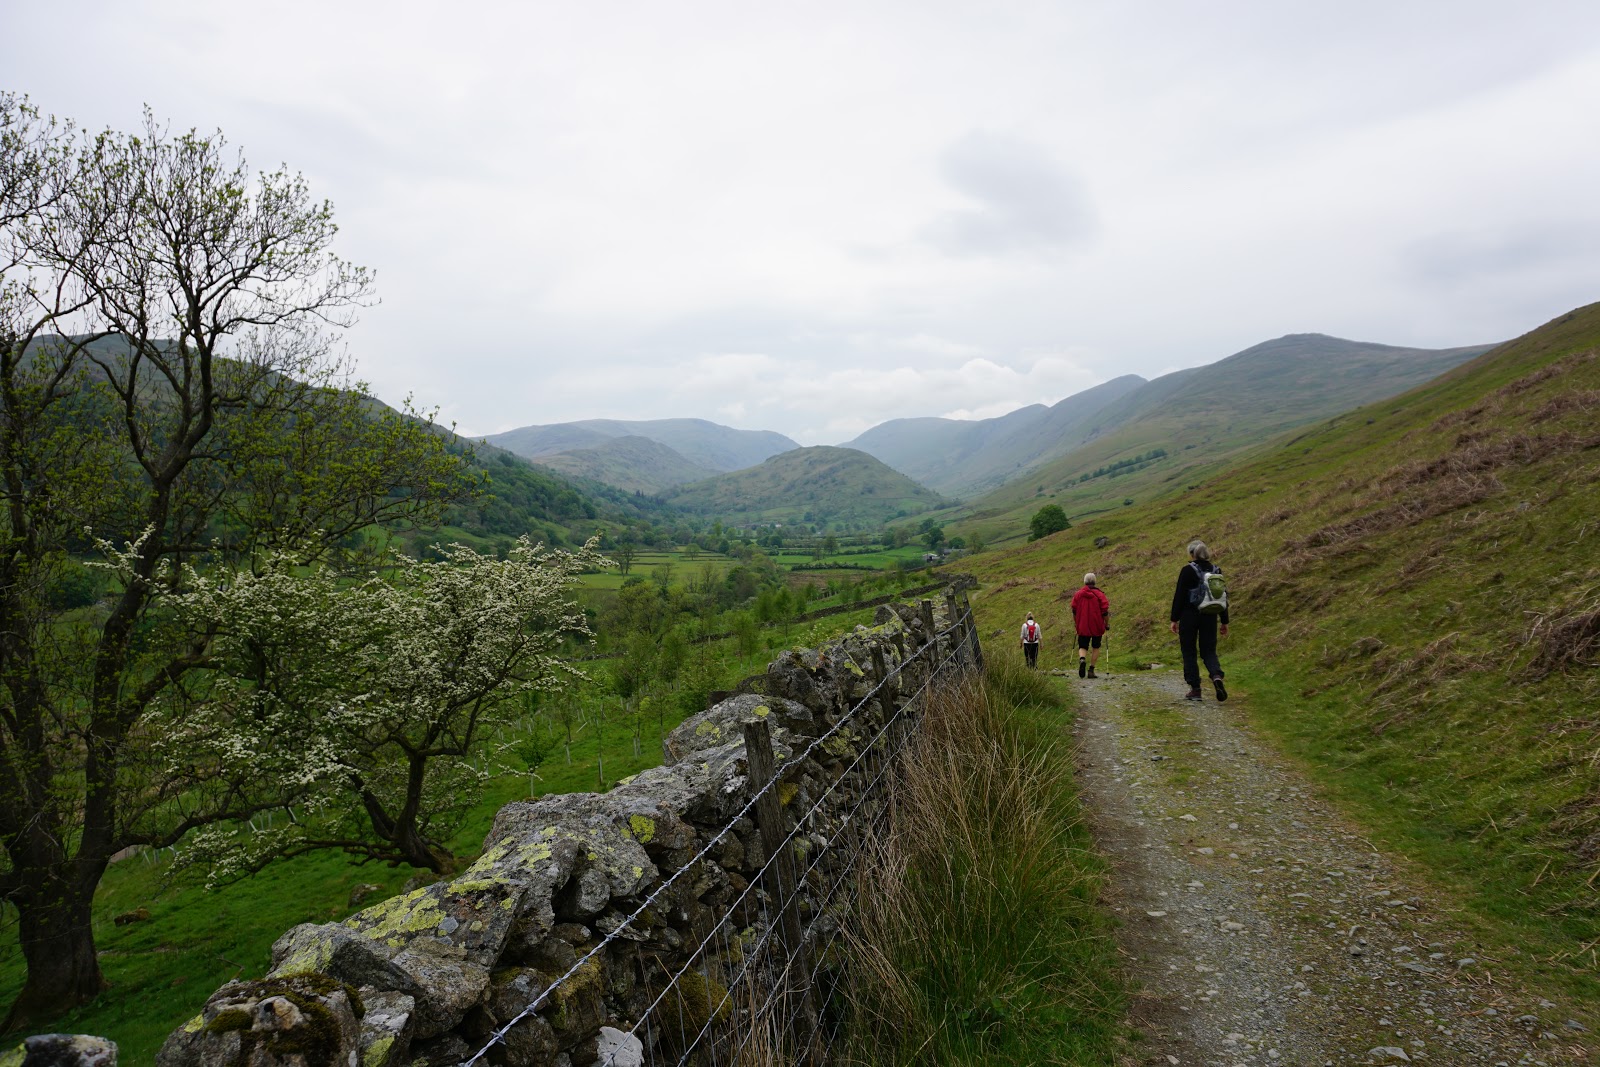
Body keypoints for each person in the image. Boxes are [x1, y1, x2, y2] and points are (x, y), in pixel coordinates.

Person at [1169, 539, 1229, 701]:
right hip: (1210, 616)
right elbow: (1223, 597)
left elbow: (1180, 596)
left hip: (1189, 616)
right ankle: (1216, 676)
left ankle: (1195, 689)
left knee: (1189, 651)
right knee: (1209, 651)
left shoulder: (1187, 570)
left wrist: (1174, 619)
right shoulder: (1216, 570)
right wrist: (1224, 621)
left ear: (1192, 554)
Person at [1070, 572, 1110, 678]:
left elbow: (1074, 610)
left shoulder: (1078, 594)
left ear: (1085, 581)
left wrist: (1076, 623)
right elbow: (1105, 612)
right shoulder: (1100, 594)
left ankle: (1082, 659)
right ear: (1095, 581)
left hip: (1082, 625)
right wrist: (1107, 624)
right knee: (1095, 647)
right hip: (1097, 625)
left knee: (1083, 645)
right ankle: (1091, 670)